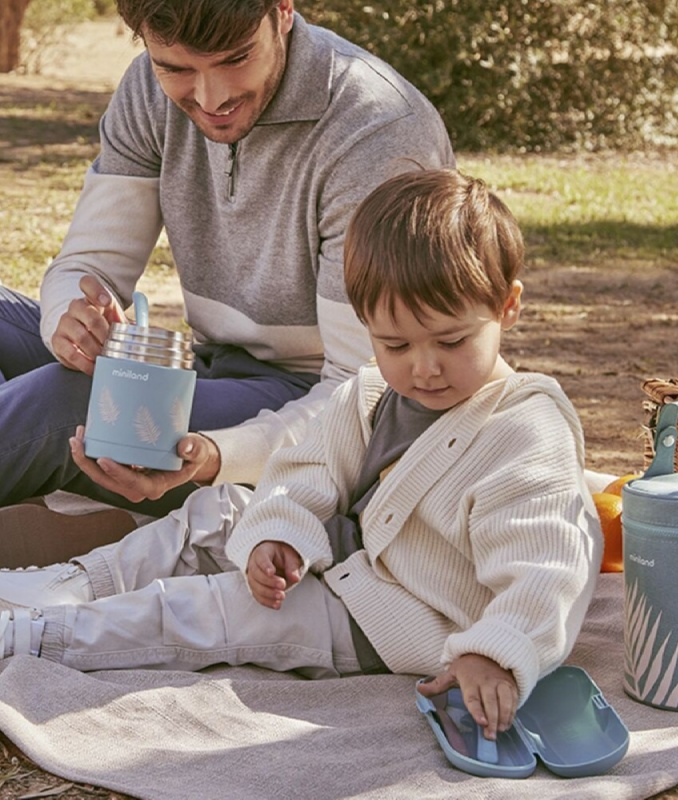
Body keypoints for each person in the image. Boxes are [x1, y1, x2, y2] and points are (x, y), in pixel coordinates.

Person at [0, 169, 601, 740]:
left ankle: (48, 634)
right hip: (343, 556)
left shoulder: (525, 431)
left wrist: (493, 653)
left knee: (219, 610)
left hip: (391, 616)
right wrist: (279, 537)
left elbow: (548, 567)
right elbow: (303, 474)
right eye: (394, 343)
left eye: (452, 340)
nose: (424, 367)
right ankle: (77, 582)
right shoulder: (369, 393)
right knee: (224, 508)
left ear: (507, 307)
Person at [0, 0, 454, 525]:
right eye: (176, 68)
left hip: (305, 403)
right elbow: (89, 264)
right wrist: (68, 321)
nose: (211, 98)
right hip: (203, 370)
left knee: (74, 403)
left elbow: (363, 394)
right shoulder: (148, 90)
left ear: (283, 10)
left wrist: (217, 455)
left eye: (235, 59)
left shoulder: (376, 132)